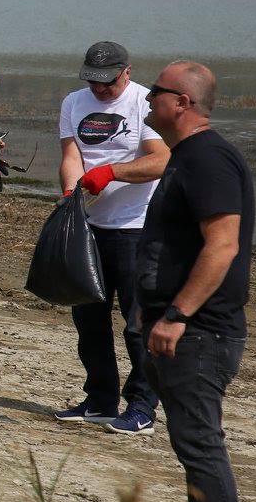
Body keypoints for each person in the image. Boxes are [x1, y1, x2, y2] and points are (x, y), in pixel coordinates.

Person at [136, 60, 254, 502]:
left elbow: (223, 245)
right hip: (182, 328)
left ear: (181, 102)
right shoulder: (186, 157)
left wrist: (178, 314)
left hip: (200, 333)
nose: (146, 99)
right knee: (191, 444)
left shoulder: (208, 158)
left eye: (155, 92)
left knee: (202, 445)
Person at [56, 40, 170, 434]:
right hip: (90, 227)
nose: (100, 90)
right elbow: (71, 155)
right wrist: (71, 193)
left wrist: (112, 173)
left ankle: (142, 405)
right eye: (93, 81)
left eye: (107, 82)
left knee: (138, 323)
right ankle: (101, 399)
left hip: (136, 228)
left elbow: (161, 160)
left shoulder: (144, 104)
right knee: (88, 318)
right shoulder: (73, 102)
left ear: (127, 71)